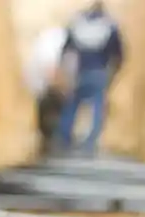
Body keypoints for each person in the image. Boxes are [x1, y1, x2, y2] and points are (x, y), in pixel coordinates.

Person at [54, 1, 124, 155]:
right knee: (98, 108)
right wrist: (114, 73)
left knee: (72, 106)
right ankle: (89, 143)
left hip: (80, 71)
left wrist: (64, 70)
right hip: (99, 71)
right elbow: (119, 55)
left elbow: (66, 49)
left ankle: (64, 139)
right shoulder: (110, 27)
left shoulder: (78, 25)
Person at [23, 25, 69, 155]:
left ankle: (49, 140)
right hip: (48, 84)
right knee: (51, 111)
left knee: (46, 112)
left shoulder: (45, 41)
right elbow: (50, 65)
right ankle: (51, 140)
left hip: (43, 84)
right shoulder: (55, 41)